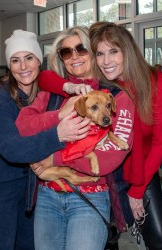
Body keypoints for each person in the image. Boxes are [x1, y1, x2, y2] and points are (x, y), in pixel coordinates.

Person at [15, 26, 135, 250]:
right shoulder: (52, 93)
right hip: (48, 195)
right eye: (67, 52)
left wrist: (55, 158)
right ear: (61, 59)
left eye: (81, 49)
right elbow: (22, 126)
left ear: (93, 52)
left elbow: (110, 157)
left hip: (91, 198)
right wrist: (58, 116)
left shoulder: (115, 95)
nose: (75, 56)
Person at [0, 29, 92, 250]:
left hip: (32, 186)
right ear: (9, 66)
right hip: (1, 189)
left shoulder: (43, 91)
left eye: (29, 58)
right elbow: (12, 149)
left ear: (38, 61)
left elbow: (52, 79)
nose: (23, 67)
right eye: (15, 60)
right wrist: (58, 135)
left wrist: (68, 86)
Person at [88, 22, 162, 250]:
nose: (106, 61)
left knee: (160, 241)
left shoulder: (157, 82)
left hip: (143, 173)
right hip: (106, 174)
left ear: (128, 50)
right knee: (107, 243)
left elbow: (160, 142)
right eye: (100, 53)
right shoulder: (102, 88)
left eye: (113, 51)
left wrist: (137, 190)